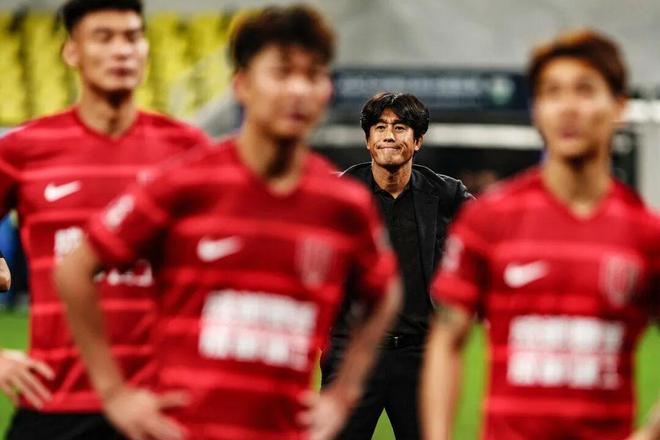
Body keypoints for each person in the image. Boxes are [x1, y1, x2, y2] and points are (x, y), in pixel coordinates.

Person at [55, 5, 402, 440]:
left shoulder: (341, 204)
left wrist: (343, 394)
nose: (298, 89)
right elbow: (74, 270)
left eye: (313, 74)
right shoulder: (185, 181)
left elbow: (384, 293)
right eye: (282, 72)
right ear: (242, 85)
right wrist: (114, 393)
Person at [421, 29, 660, 440]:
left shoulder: (646, 232)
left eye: (585, 90)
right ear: (536, 110)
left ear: (619, 106)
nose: (568, 107)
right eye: (552, 92)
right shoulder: (490, 218)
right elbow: (446, 340)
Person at [0, 0, 210, 438]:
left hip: (161, 406)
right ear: (71, 51)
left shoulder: (190, 151)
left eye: (133, 37)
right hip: (56, 403)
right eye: (104, 37)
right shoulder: (24, 149)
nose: (122, 50)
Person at [322, 92, 471, 439]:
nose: (389, 135)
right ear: (368, 140)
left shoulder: (446, 195)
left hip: (419, 355)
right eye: (380, 127)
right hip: (351, 352)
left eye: (400, 127)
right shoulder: (339, 194)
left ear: (417, 141)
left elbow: (497, 232)